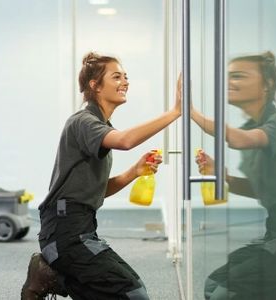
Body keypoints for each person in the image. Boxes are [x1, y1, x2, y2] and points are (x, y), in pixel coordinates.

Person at [21, 52, 182, 299]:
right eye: (116, 76)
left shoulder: (99, 126)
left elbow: (93, 189)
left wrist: (134, 172)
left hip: (80, 228)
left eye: (126, 77)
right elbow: (126, 141)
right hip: (65, 233)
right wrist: (175, 112)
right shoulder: (84, 121)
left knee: (115, 292)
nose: (125, 82)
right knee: (133, 293)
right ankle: (52, 273)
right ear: (94, 85)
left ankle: (52, 276)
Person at [191, 51, 276, 299]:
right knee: (212, 286)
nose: (229, 82)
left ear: (267, 84)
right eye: (228, 76)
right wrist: (225, 177)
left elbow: (239, 140)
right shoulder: (251, 126)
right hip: (273, 232)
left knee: (225, 295)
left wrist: (193, 114)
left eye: (239, 76)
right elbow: (263, 189)